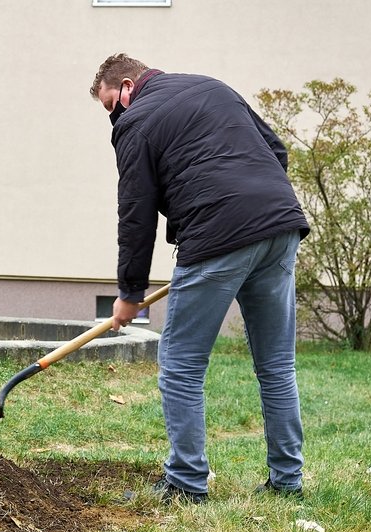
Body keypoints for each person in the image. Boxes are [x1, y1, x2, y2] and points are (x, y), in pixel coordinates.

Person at [90, 54, 310, 503]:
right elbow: (278, 152)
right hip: (280, 225)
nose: (113, 118)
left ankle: (186, 482)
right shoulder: (213, 87)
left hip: (218, 234)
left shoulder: (136, 123)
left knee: (181, 364)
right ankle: (287, 483)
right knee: (276, 365)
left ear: (127, 87)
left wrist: (130, 294)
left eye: (112, 105)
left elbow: (135, 214)